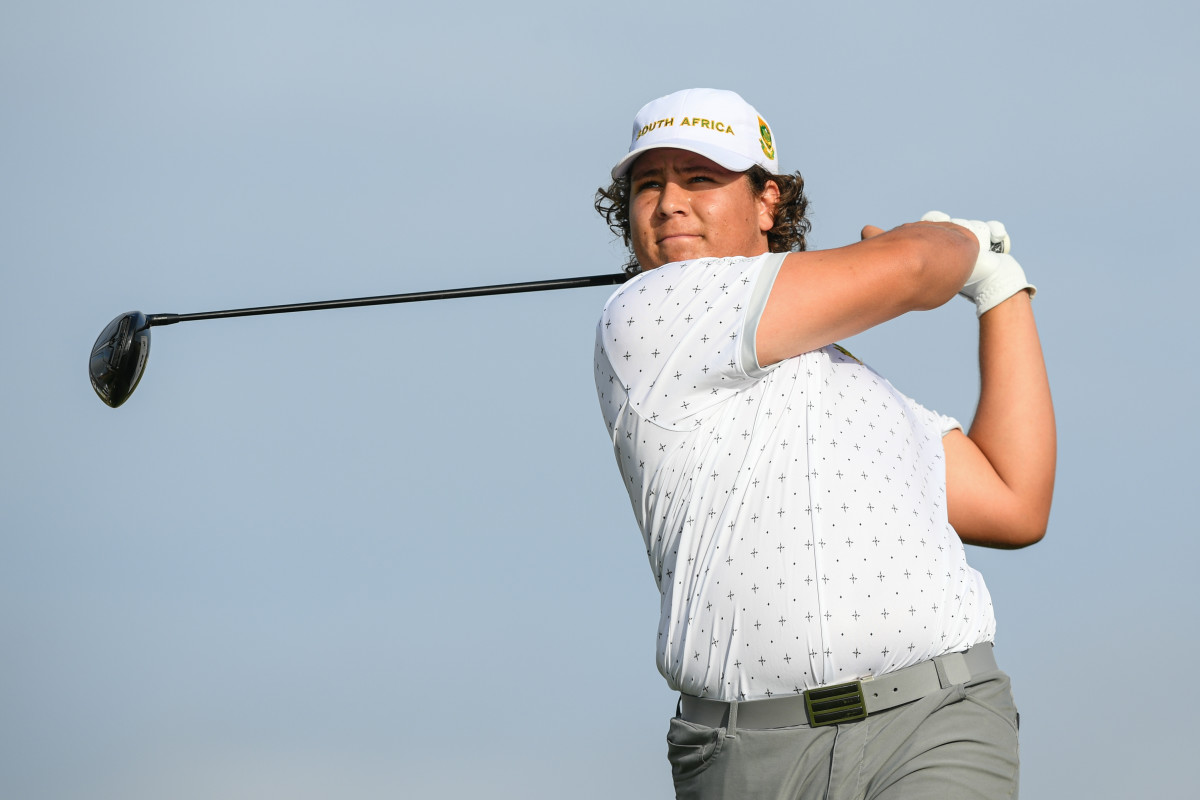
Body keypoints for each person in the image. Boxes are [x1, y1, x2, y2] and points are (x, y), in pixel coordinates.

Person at [592, 88, 1055, 799]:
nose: (670, 204)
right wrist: (964, 243)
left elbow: (1013, 501)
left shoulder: (851, 380)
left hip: (936, 720)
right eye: (648, 184)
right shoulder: (648, 312)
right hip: (745, 755)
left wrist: (1002, 289)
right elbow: (912, 268)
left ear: (767, 201)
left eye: (700, 178)